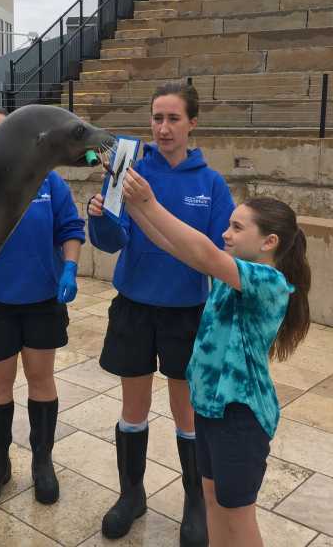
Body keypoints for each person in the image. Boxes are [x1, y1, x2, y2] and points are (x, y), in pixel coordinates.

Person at [121, 172, 311, 547]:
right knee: (213, 502)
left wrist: (150, 202)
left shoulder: (267, 282)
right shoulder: (232, 271)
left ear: (268, 242)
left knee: (238, 519)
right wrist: (131, 206)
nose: (226, 233)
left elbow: (201, 251)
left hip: (240, 416)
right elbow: (174, 245)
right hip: (209, 408)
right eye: (228, 225)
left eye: (237, 228)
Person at [87, 83, 235, 545]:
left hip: (186, 313)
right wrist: (99, 216)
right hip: (134, 307)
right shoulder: (130, 170)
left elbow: (218, 252)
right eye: (157, 118)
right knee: (133, 406)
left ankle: (194, 502)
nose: (163, 128)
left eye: (173, 119)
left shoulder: (209, 184)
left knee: (185, 411)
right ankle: (132, 494)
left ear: (193, 123)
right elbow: (110, 243)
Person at [0, 106, 84, 507]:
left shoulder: (49, 182)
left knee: (41, 381)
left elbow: (70, 228)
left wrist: (69, 267)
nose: (1, 140)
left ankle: (42, 463)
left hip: (42, 302)